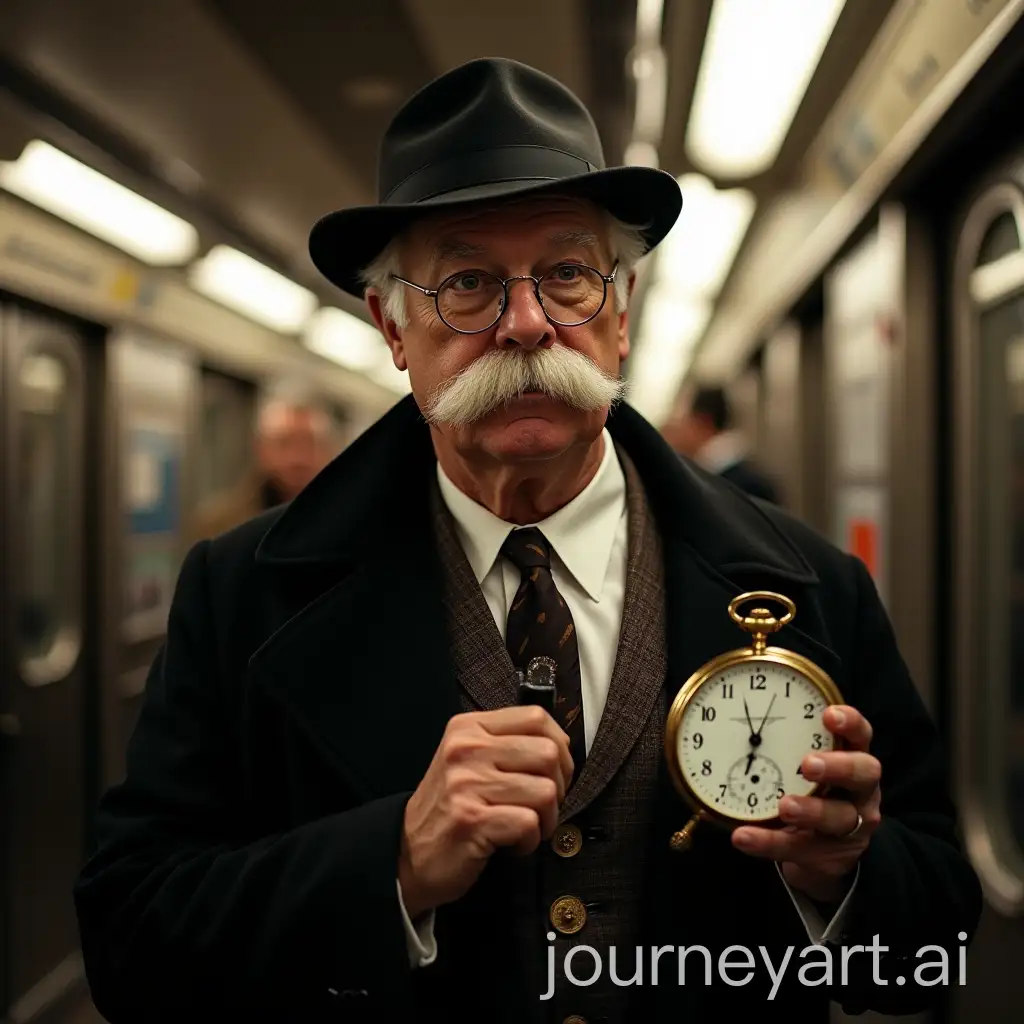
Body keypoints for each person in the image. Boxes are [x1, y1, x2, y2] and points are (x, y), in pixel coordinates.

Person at [73, 58, 981, 1023]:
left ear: (620, 314)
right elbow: (132, 939)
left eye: (567, 274)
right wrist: (392, 865)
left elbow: (933, 935)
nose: (526, 323)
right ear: (392, 326)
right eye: (467, 283)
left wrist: (844, 872)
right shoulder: (242, 594)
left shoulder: (808, 586)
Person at [188, 380, 338, 540]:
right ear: (261, 449)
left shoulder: (350, 525)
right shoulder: (219, 526)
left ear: (329, 451)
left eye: (310, 444)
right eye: (284, 443)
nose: (298, 458)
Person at [664, 385, 779, 502]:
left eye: (683, 420)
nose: (677, 430)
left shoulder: (736, 484)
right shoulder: (743, 475)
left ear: (703, 421)